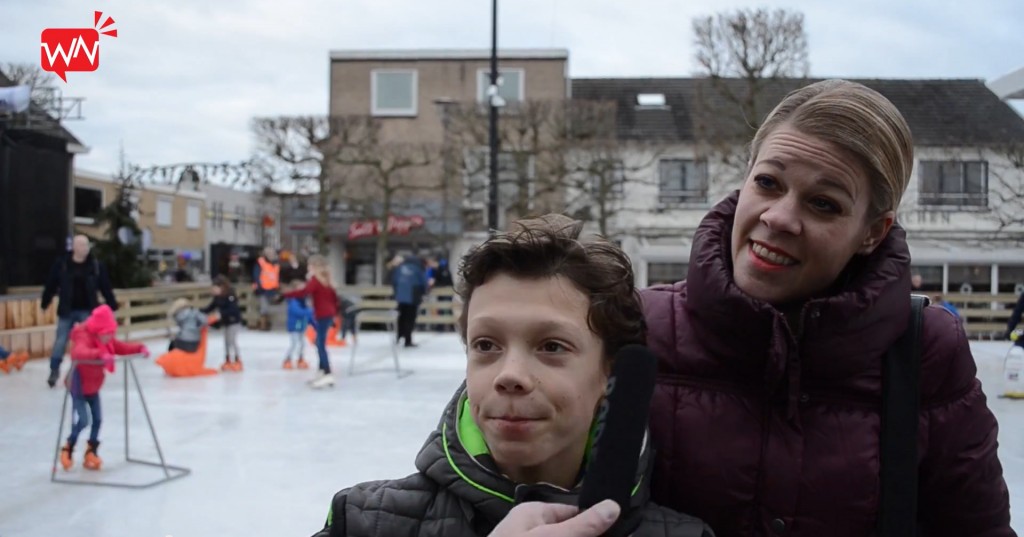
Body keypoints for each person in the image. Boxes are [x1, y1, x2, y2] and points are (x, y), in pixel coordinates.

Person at [640, 79, 1013, 536]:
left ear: (873, 232)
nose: (779, 217)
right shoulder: (642, 329)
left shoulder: (926, 355)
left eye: (823, 204)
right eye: (767, 182)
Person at [310, 215, 713, 537]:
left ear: (611, 374)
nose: (510, 375)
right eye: (486, 345)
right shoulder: (362, 522)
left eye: (551, 347)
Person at [58, 305, 148, 471]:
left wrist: (139, 348)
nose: (110, 337)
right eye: (107, 333)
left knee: (98, 420)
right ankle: (68, 447)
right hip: (78, 386)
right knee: (83, 420)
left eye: (111, 333)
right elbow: (79, 352)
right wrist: (99, 354)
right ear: (98, 330)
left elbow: (121, 347)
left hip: (94, 386)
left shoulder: (106, 338)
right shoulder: (83, 335)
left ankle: (91, 451)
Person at [40, 234, 119, 388]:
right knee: (60, 341)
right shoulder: (62, 264)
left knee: (86, 342)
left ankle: (79, 370)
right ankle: (54, 370)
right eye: (82, 245)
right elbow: (51, 284)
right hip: (67, 310)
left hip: (88, 311)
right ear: (74, 247)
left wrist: (112, 305)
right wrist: (45, 302)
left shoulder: (95, 265)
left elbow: (105, 287)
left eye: (87, 245)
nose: (85, 248)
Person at [282, 255, 339, 388]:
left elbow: (304, 292)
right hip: (327, 314)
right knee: (319, 342)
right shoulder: (327, 280)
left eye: (309, 265)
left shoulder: (315, 280)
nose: (307, 268)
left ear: (314, 267)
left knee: (320, 344)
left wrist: (286, 295)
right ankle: (322, 371)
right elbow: (334, 299)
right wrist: (334, 314)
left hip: (323, 314)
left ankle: (327, 373)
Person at [200, 276, 244, 371]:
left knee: (231, 341)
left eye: (215, 288)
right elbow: (210, 308)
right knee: (226, 342)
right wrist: (199, 312)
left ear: (222, 287)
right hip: (226, 322)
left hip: (234, 322)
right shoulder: (217, 298)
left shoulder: (230, 295)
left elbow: (233, 309)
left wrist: (220, 314)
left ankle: (237, 360)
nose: (213, 290)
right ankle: (228, 360)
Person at [390, 253, 428, 347]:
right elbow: (423, 283)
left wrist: (396, 293)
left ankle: (399, 336)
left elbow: (394, 281)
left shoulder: (400, 268)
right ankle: (408, 340)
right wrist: (423, 293)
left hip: (401, 297)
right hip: (413, 297)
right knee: (410, 319)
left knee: (401, 317)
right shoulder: (417, 269)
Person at [283, 280, 313, 370]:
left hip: (301, 325)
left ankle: (300, 358)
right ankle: (287, 359)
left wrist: (311, 321)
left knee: (302, 343)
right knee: (294, 343)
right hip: (294, 326)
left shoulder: (303, 301)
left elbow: (307, 314)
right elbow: (298, 312)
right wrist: (310, 311)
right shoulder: (293, 300)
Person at [252, 246, 280, 331]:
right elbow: (256, 275)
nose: (271, 255)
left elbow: (277, 275)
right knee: (264, 308)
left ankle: (267, 324)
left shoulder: (276, 264)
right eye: (269, 253)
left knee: (270, 308)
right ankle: (263, 325)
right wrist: (259, 285)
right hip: (263, 289)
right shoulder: (260, 262)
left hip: (273, 289)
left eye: (272, 253)